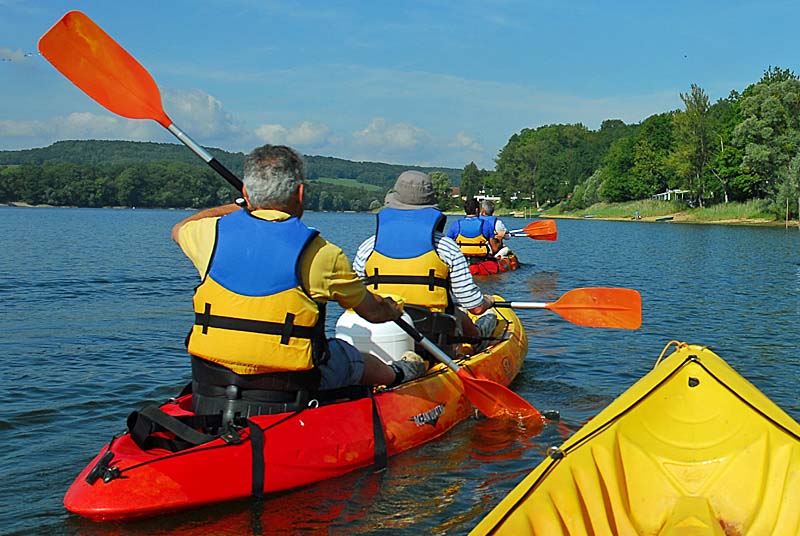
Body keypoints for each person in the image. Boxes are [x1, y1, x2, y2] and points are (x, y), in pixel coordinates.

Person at [171, 144, 426, 398]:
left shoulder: (208, 236)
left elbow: (180, 228)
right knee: (346, 354)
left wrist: (240, 207)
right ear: (300, 193)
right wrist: (393, 308)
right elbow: (373, 313)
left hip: (211, 375)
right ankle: (400, 373)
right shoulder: (323, 254)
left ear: (247, 194)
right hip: (288, 382)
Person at [352, 171, 496, 346]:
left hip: (382, 338)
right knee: (460, 313)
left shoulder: (367, 247)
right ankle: (474, 342)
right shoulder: (446, 248)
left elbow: (356, 298)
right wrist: (489, 301)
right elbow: (476, 307)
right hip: (434, 343)